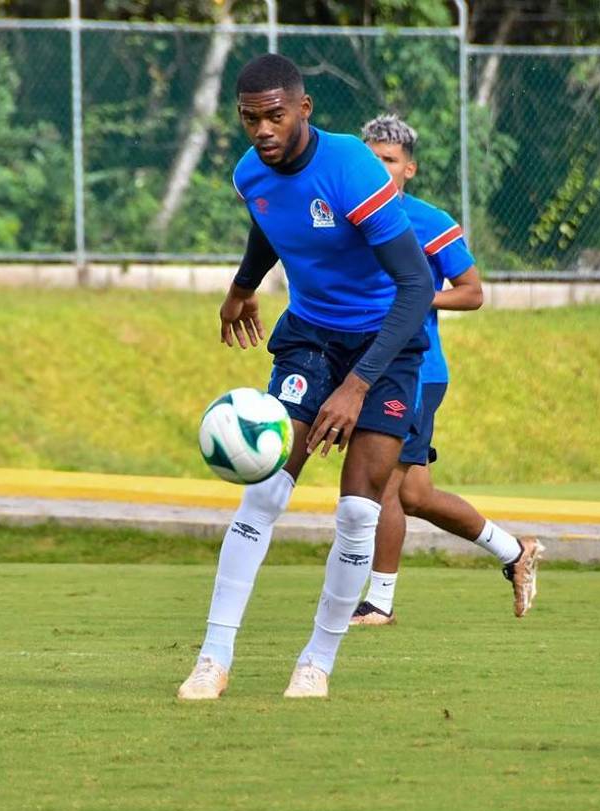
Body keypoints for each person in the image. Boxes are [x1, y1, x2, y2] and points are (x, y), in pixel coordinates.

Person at [177, 54, 436, 700]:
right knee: (263, 492)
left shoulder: (350, 168)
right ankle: (213, 657)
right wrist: (241, 288)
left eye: (275, 115)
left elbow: (416, 284)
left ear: (303, 109)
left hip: (389, 342)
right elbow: (271, 223)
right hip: (311, 341)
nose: (262, 129)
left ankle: (316, 662)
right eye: (249, 118)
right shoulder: (249, 175)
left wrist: (359, 385)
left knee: (356, 509)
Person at [350, 115, 544, 627]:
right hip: (367, 367)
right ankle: (513, 551)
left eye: (388, 161)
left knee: (384, 485)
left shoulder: (429, 221)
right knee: (414, 495)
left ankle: (378, 602)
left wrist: (417, 295)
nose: (379, 168)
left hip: (417, 370)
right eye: (369, 160)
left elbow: (473, 292)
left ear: (408, 169)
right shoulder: (350, 222)